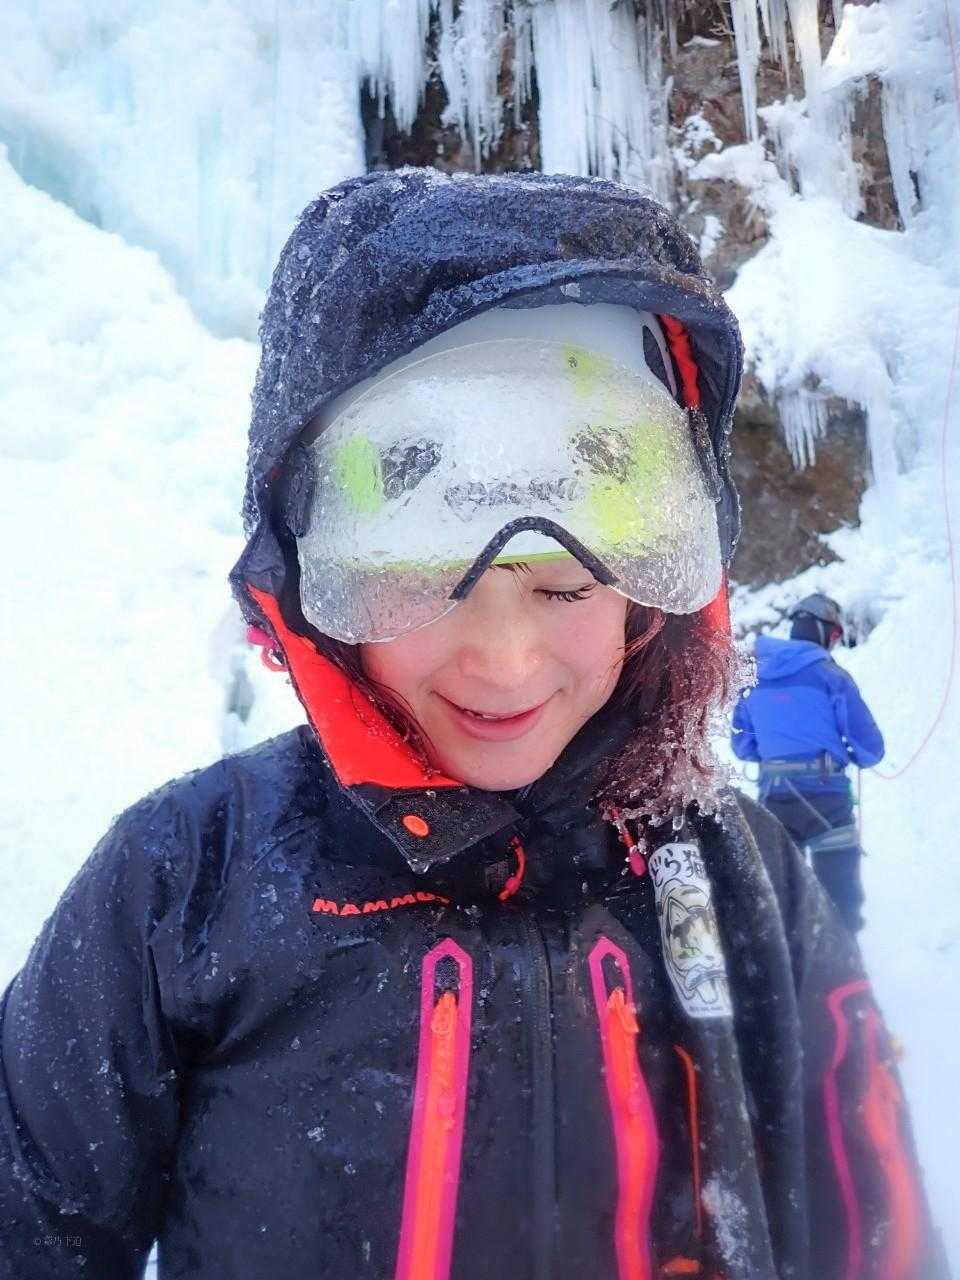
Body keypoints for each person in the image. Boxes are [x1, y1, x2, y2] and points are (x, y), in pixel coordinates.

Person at [0, 171, 944, 1280]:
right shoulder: (181, 884)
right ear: (318, 589)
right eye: (427, 584)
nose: (505, 662)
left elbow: (875, 1241)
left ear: (648, 598)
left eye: (564, 588)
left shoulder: (747, 880)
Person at [731, 594, 885, 932]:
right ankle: (844, 958)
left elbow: (742, 746)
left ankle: (791, 960)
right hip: (828, 801)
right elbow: (870, 748)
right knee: (841, 902)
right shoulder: (831, 674)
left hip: (774, 800)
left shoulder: (754, 677)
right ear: (823, 630)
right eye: (835, 636)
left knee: (781, 906)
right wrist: (845, 753)